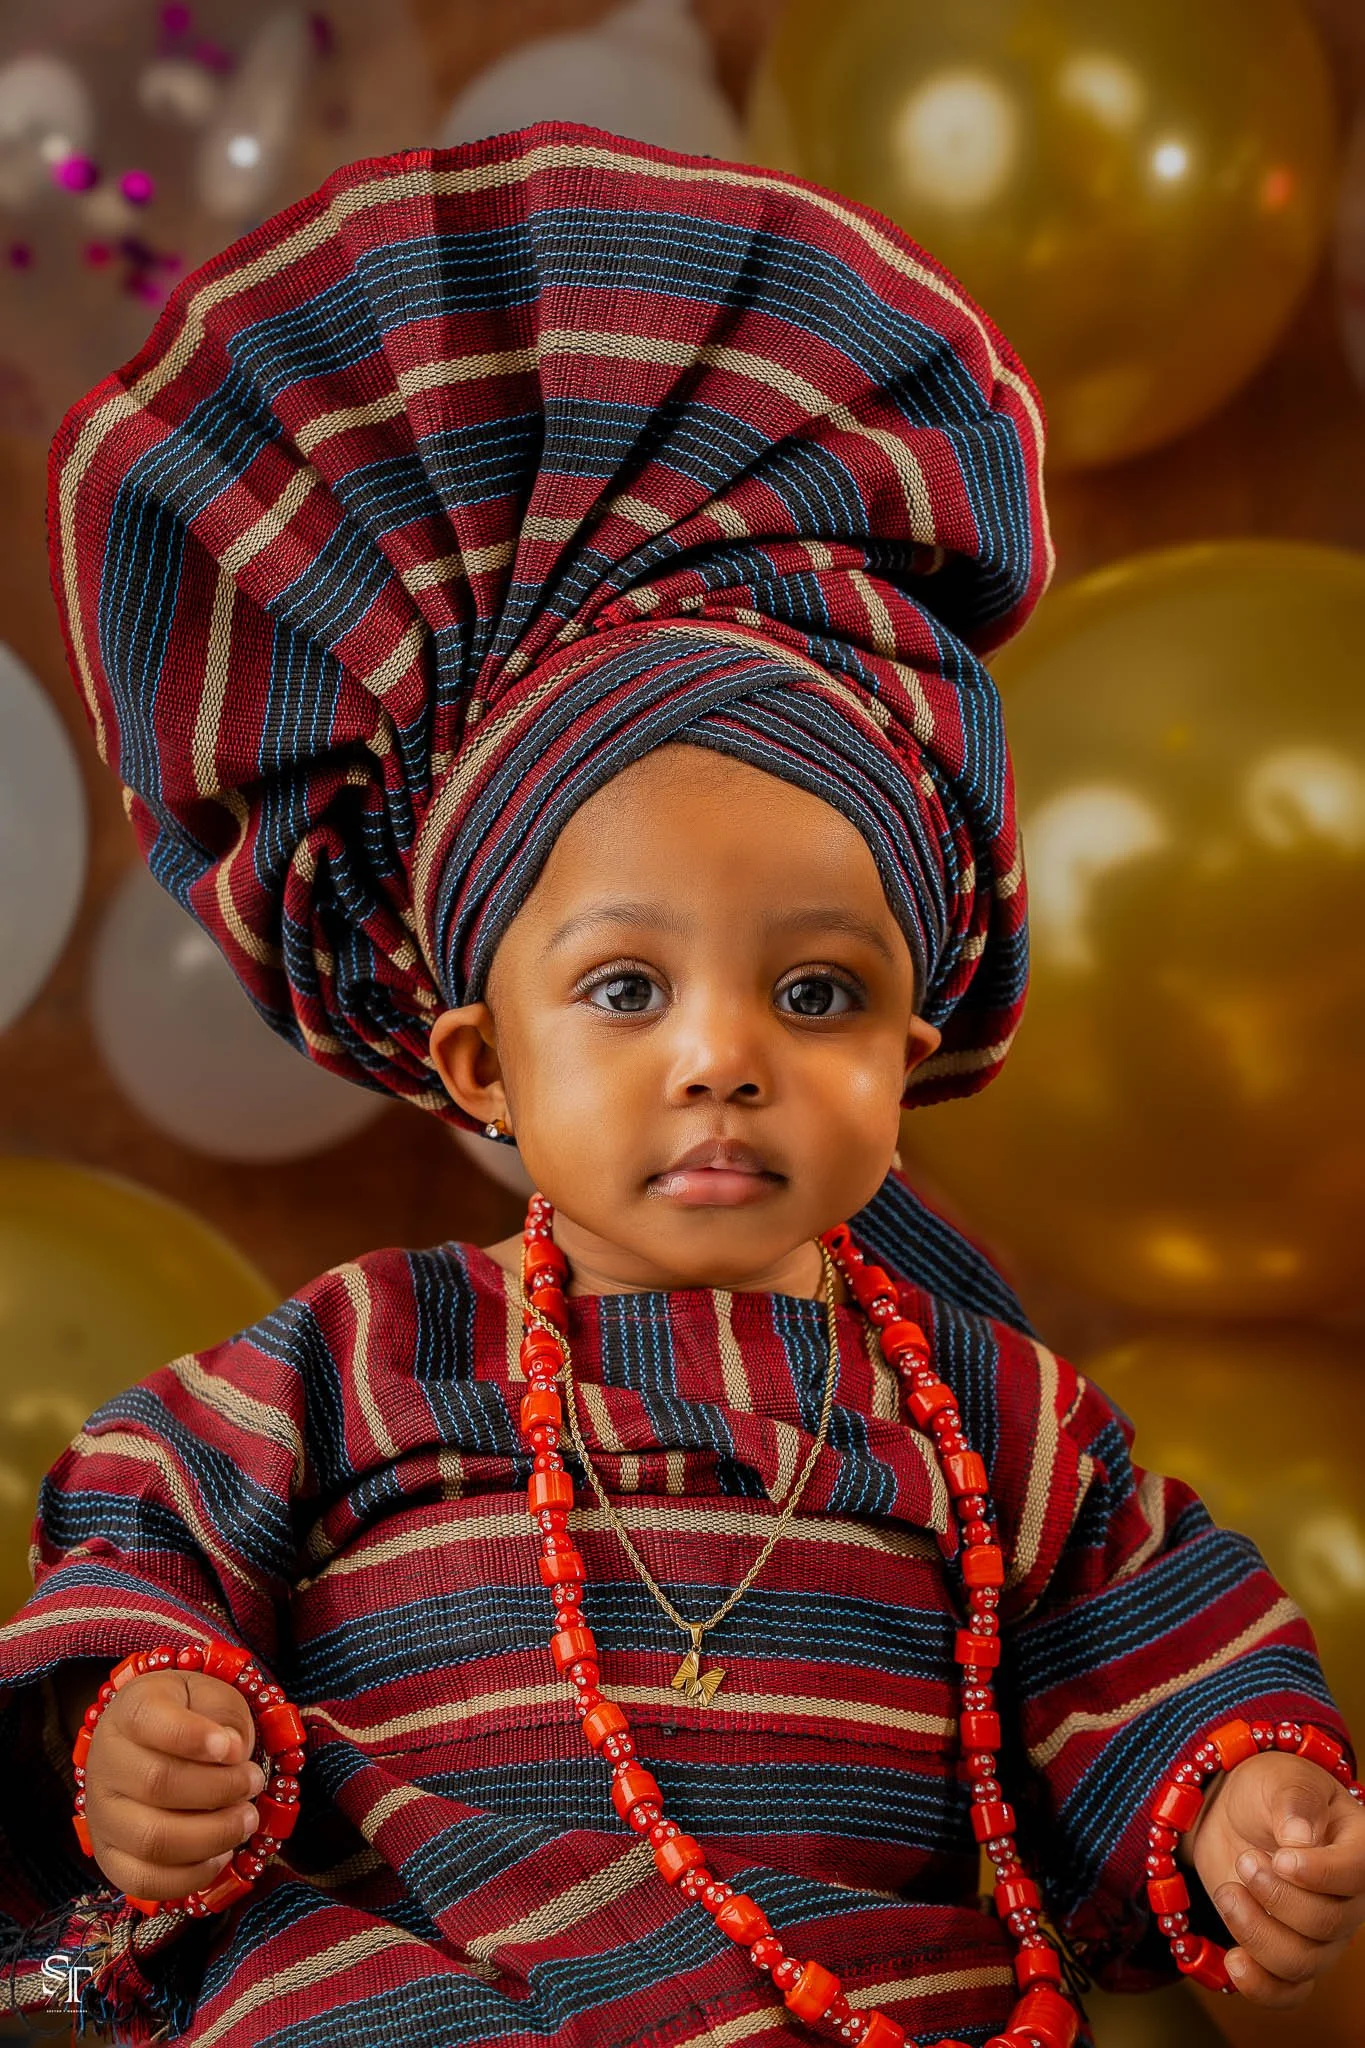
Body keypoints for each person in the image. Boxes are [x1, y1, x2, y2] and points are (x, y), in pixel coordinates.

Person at [2, 123, 1361, 2047]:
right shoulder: (373, 1355)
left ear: (919, 1044)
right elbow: (144, 1528)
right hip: (427, 1988)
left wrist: (1234, 1799)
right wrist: (138, 1724)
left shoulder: (984, 1414)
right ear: (481, 1062)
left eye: (818, 991)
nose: (722, 1055)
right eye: (626, 988)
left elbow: (1141, 1643)